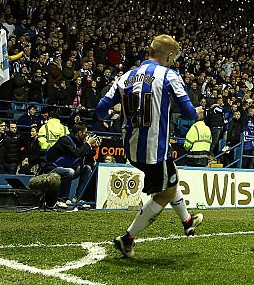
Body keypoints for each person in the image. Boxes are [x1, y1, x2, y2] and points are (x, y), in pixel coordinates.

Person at [95, 34, 203, 258]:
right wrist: (197, 113)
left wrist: (112, 115)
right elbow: (188, 112)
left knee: (171, 181)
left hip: (132, 148)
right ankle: (127, 238)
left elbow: (100, 108)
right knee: (164, 194)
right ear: (170, 56)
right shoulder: (169, 75)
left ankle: (188, 222)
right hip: (155, 149)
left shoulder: (124, 77)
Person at [42, 124, 99, 207]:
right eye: (85, 133)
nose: (87, 135)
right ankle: (61, 199)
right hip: (52, 168)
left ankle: (79, 198)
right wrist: (87, 144)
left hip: (66, 169)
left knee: (87, 168)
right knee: (70, 171)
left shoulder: (80, 143)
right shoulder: (65, 140)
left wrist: (93, 148)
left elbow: (86, 158)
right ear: (79, 133)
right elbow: (76, 154)